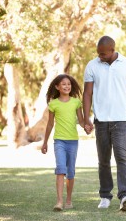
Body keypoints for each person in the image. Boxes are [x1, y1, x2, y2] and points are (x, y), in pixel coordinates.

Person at [83, 36, 126, 211]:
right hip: (100, 120)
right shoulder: (92, 65)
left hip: (121, 120)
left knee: (121, 157)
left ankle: (125, 194)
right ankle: (105, 195)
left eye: (103, 54)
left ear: (112, 49)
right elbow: (87, 93)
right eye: (98, 54)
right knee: (103, 160)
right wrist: (86, 117)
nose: (100, 56)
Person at [41, 74, 84, 211]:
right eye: (63, 84)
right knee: (60, 169)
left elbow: (81, 121)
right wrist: (45, 142)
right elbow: (49, 124)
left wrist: (87, 126)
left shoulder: (76, 102)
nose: (67, 86)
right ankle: (59, 202)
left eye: (69, 84)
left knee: (70, 172)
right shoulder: (53, 104)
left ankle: (68, 200)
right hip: (59, 141)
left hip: (73, 142)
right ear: (57, 87)